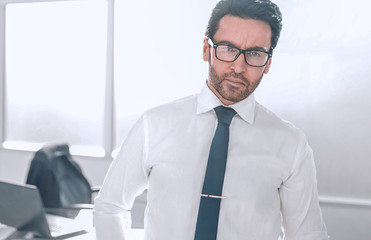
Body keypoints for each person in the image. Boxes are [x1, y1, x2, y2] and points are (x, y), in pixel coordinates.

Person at [94, 0, 329, 239]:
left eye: (255, 53)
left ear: (268, 63)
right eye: (228, 48)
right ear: (207, 49)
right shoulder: (154, 125)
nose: (238, 67)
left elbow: (307, 234)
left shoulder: (290, 144)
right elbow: (110, 206)